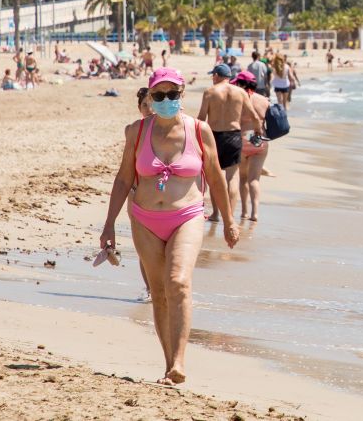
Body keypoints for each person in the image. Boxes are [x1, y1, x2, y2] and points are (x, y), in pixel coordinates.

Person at [100, 68, 237, 385]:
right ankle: (168, 366)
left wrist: (229, 220)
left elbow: (215, 177)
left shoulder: (199, 130)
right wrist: (109, 224)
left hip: (186, 215)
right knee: (158, 292)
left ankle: (179, 361)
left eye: (172, 95)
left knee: (178, 282)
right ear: (149, 97)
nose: (165, 101)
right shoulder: (137, 131)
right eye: (158, 96)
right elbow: (123, 179)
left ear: (182, 95)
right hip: (145, 220)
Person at [198, 64, 262, 222]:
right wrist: (258, 131)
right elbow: (254, 116)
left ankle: (215, 214)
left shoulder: (210, 92)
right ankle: (230, 216)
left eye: (213, 76)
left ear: (217, 75)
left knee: (214, 176)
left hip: (213, 137)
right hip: (234, 136)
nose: (212, 79)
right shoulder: (240, 92)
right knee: (232, 178)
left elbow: (200, 118)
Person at [233, 71, 269, 221]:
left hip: (243, 138)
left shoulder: (238, 99)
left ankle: (244, 212)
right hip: (259, 139)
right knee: (254, 179)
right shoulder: (264, 100)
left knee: (243, 177)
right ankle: (255, 213)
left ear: (243, 84)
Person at [131, 87, 153, 303]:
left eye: (151, 104)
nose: (148, 109)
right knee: (142, 248)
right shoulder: (134, 130)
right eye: (144, 106)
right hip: (137, 193)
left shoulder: (168, 131)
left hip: (160, 197)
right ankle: (149, 289)